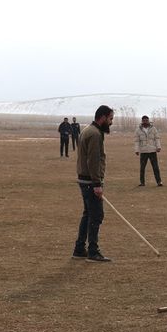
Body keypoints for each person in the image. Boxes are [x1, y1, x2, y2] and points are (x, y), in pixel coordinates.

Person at [73, 105, 114, 262]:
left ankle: (79, 249)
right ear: (102, 117)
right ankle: (93, 251)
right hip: (90, 181)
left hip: (84, 179)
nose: (111, 122)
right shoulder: (95, 134)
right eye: (110, 119)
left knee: (88, 214)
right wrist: (97, 183)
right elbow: (93, 160)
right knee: (96, 215)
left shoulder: (87, 130)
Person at [134, 115, 163, 187]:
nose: (145, 122)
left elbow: (157, 138)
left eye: (146, 120)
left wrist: (158, 147)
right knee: (142, 168)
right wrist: (136, 150)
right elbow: (136, 141)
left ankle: (159, 182)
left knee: (155, 167)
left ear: (148, 120)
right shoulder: (138, 130)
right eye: (144, 120)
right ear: (142, 121)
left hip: (152, 150)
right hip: (143, 151)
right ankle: (142, 182)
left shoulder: (153, 129)